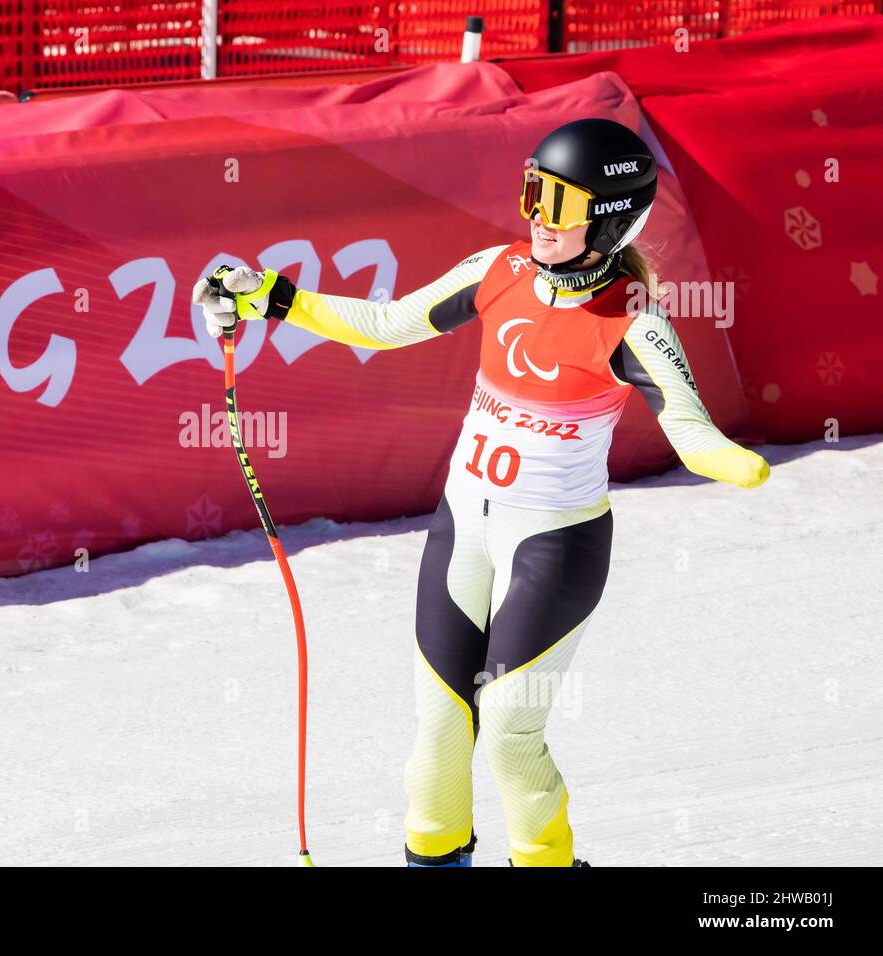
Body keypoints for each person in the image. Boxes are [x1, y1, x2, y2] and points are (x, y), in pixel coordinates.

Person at [193, 118, 769, 867]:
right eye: (533, 192)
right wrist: (272, 295)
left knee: (507, 729)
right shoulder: (499, 270)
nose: (536, 215)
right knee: (438, 732)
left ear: (610, 217)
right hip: (463, 524)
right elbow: (387, 323)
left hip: (554, 544)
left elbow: (685, 421)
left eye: (557, 204)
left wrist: (726, 459)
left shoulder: (631, 319)